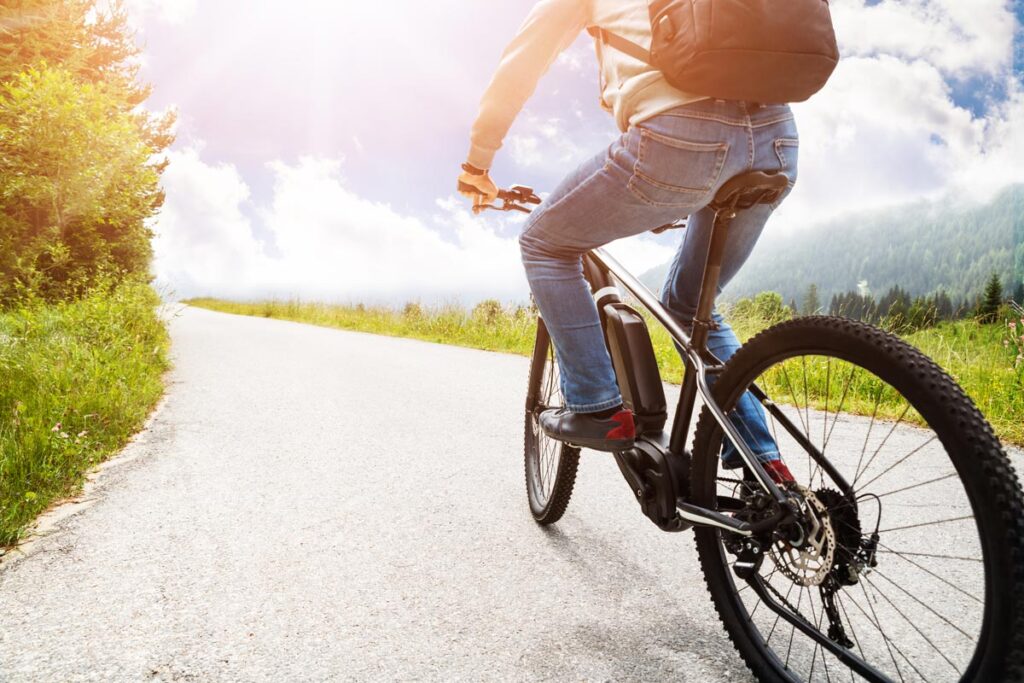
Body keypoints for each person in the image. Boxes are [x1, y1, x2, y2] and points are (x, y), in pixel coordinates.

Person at [458, 0, 796, 482]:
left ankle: (597, 406)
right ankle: (763, 465)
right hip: (778, 142)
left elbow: (520, 65)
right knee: (691, 306)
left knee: (544, 244)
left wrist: (477, 164)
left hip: (678, 141)